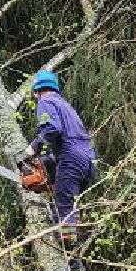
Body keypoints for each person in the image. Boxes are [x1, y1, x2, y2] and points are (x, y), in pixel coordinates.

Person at [25, 70, 97, 252]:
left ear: (37, 91)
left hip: (70, 158)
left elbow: (52, 129)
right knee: (68, 206)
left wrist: (33, 147)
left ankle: (71, 259)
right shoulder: (66, 106)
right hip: (87, 161)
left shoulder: (45, 102)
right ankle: (74, 251)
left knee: (64, 206)